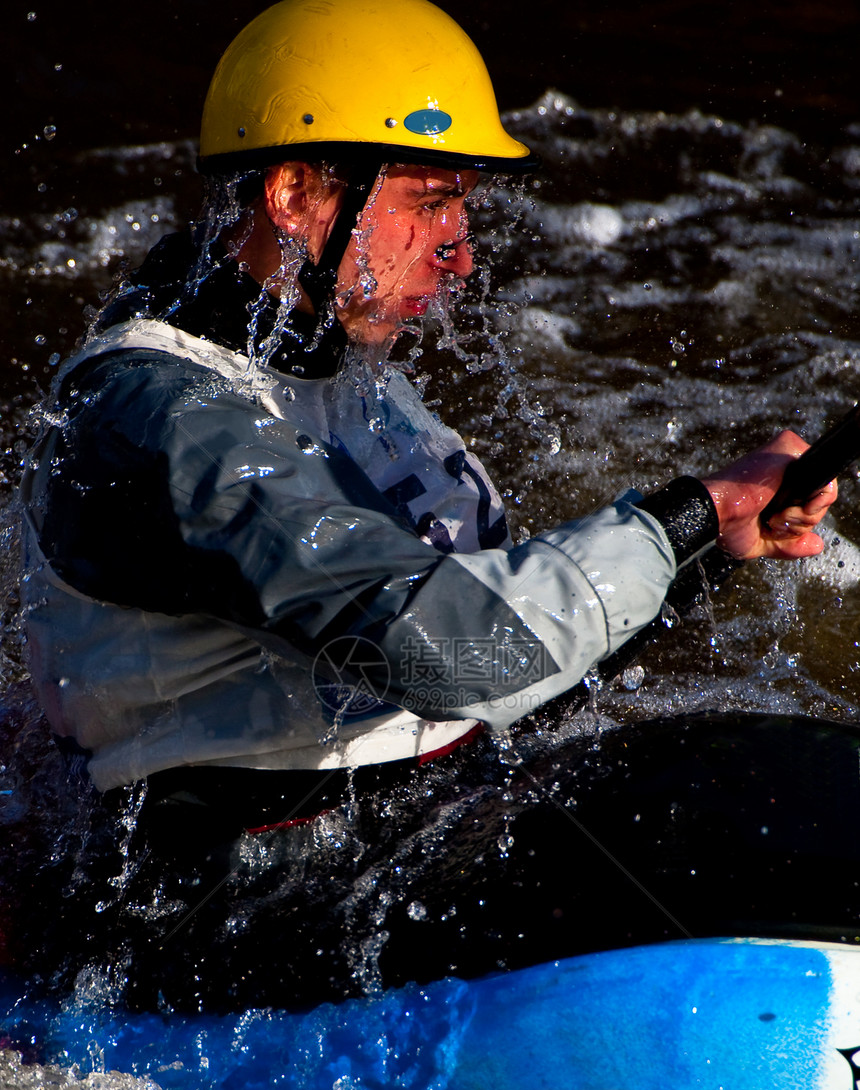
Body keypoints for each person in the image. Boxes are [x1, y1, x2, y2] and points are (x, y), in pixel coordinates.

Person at [17, 0, 836, 1009]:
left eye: (461, 209)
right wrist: (679, 517)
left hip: (405, 819)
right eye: (429, 202)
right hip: (238, 905)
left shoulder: (332, 362)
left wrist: (702, 549)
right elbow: (449, 654)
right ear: (292, 192)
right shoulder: (167, 412)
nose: (458, 251)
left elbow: (505, 665)